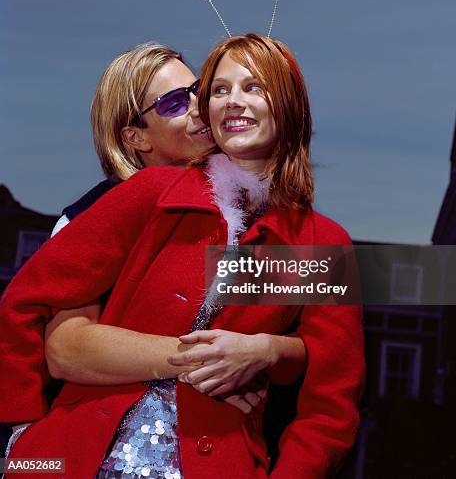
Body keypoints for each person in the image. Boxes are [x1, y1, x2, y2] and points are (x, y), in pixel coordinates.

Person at [0, 34, 364, 478]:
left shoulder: (323, 243)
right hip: (79, 452)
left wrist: (271, 352)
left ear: (290, 104)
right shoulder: (148, 194)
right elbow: (30, 308)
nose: (231, 102)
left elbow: (331, 406)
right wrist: (22, 434)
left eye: (254, 87)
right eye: (219, 90)